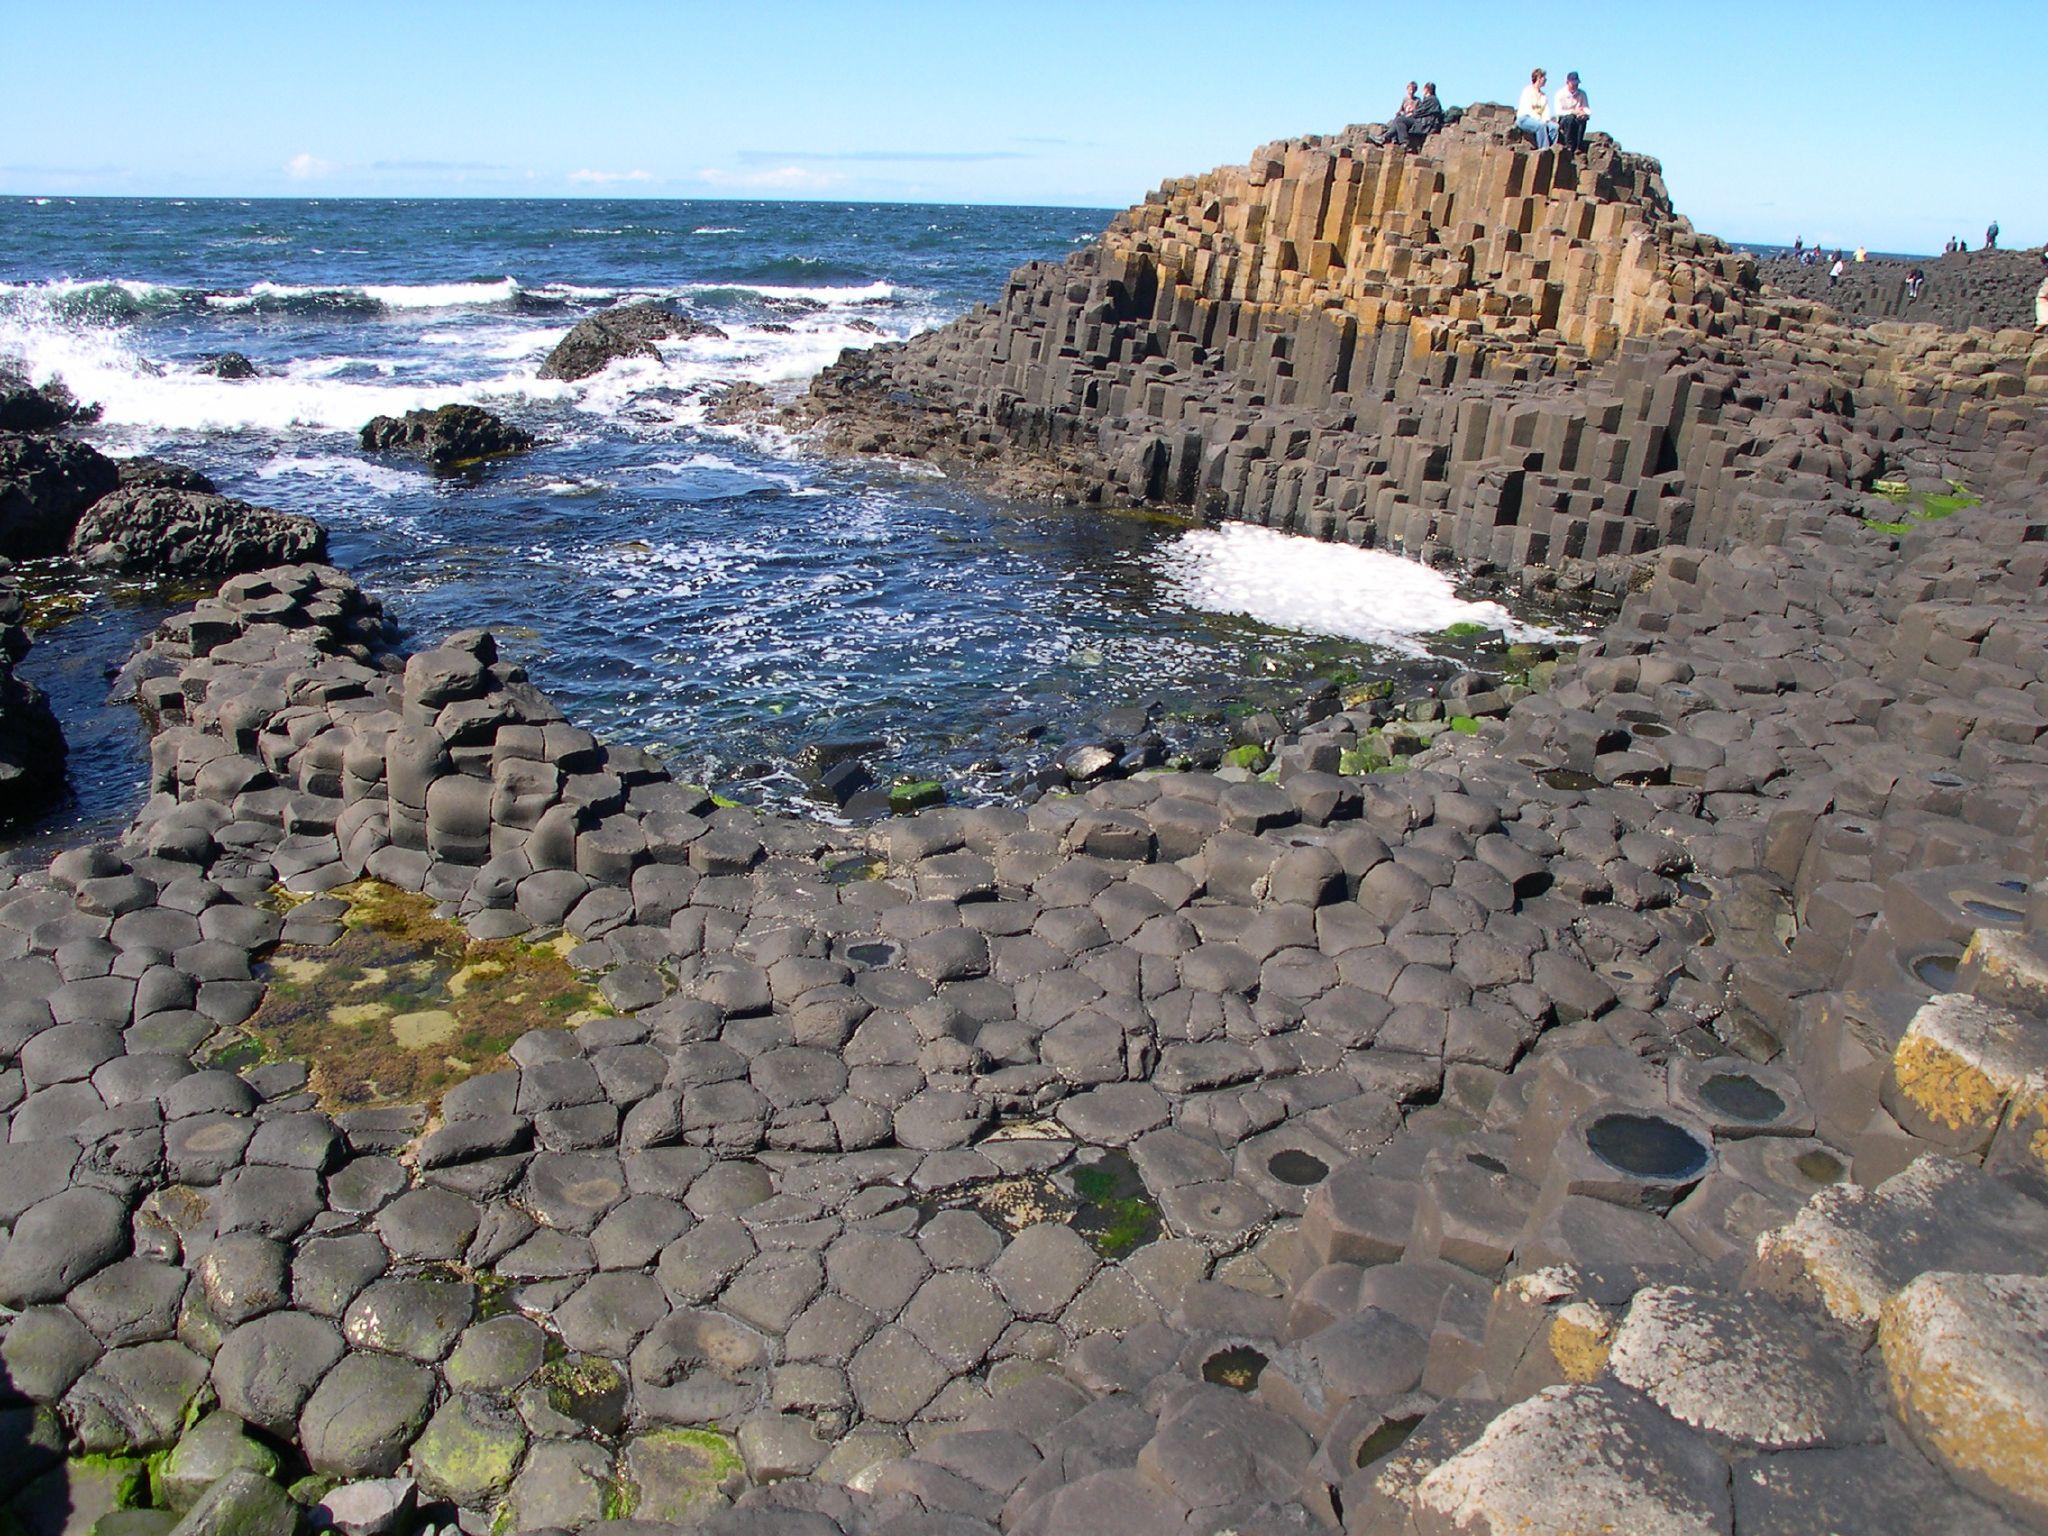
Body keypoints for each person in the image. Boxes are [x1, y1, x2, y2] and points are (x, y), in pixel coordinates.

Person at [1387, 81, 1445, 150]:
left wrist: (1411, 112)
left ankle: (1404, 142)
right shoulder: (1433, 100)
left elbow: (1420, 112)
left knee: (1400, 120)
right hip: (1425, 122)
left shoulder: (1430, 100)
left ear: (1426, 90)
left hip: (1425, 124)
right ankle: (1385, 137)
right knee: (1399, 119)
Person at [1517, 68, 1556, 148]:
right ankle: (1544, 149)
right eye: (1544, 77)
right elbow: (1527, 109)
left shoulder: (1543, 96)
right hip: (1524, 118)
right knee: (1541, 126)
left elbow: (1546, 111)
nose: (1546, 79)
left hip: (1540, 120)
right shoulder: (1527, 91)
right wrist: (1539, 119)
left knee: (1554, 127)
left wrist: (1546, 120)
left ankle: (1552, 149)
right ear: (1538, 78)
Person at [1553, 71, 1590, 152]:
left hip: (1578, 117)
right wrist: (1572, 112)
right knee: (1570, 118)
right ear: (1567, 82)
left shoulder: (1582, 94)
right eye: (1573, 84)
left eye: (1576, 84)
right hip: (1564, 120)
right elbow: (1558, 111)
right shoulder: (1560, 94)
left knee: (1582, 119)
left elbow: (1586, 107)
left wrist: (1585, 113)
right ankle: (1568, 146)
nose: (1575, 86)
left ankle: (1578, 146)